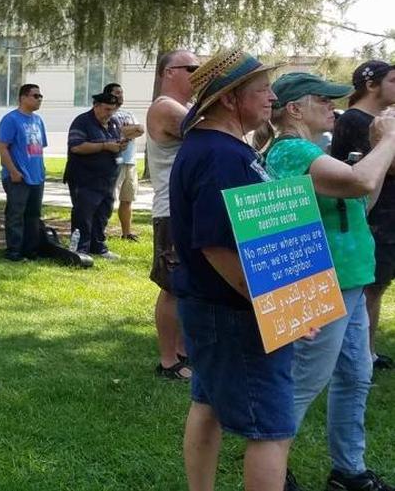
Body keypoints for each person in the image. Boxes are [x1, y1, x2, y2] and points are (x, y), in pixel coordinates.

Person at [170, 48, 311, 491]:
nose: (272, 97)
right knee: (272, 429)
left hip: (210, 305)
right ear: (230, 99)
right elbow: (217, 246)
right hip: (233, 311)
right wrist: (281, 303)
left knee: (207, 404)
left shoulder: (217, 147)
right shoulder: (221, 155)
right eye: (262, 89)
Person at [259, 72, 395, 491]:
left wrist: (376, 149)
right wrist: (388, 140)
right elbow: (362, 181)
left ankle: (348, 470)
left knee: (355, 375)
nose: (332, 106)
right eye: (322, 99)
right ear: (294, 110)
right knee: (303, 380)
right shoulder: (290, 151)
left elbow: (360, 200)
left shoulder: (312, 150)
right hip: (323, 279)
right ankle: (272, 471)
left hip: (350, 277)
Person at [329, 60, 395, 371]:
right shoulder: (356, 120)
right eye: (394, 80)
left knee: (377, 285)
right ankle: (359, 354)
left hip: (387, 215)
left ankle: (365, 353)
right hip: (371, 216)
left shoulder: (382, 122)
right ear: (372, 85)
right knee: (368, 287)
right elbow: (377, 169)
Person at [146, 50, 197, 381]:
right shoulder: (165, 107)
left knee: (187, 285)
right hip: (172, 210)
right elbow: (209, 132)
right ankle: (168, 360)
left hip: (188, 209)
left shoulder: (186, 109)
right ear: (168, 73)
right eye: (190, 68)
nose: (197, 73)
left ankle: (181, 350)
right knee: (173, 286)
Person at [63, 91, 125, 260]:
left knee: (103, 214)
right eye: (106, 109)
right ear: (96, 106)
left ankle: (98, 247)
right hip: (85, 179)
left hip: (108, 179)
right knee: (83, 214)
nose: (109, 113)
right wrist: (105, 146)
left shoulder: (114, 123)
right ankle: (80, 250)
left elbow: (116, 142)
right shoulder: (82, 122)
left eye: (112, 110)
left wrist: (120, 146)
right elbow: (76, 146)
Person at [0, 84, 47, 262]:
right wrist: (13, 171)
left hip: (37, 177)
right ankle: (14, 252)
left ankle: (31, 251)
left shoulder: (38, 120)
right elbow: (2, 148)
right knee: (16, 215)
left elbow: (39, 148)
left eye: (40, 96)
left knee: (33, 215)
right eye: (35, 96)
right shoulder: (11, 120)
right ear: (23, 98)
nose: (39, 99)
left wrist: (42, 171)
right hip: (17, 177)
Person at [104, 83, 145, 241]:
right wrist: (128, 130)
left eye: (122, 92)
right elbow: (115, 131)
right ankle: (101, 231)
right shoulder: (106, 113)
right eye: (117, 93)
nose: (121, 95)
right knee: (108, 198)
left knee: (127, 199)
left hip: (130, 161)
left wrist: (127, 131)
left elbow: (140, 130)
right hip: (114, 161)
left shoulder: (128, 113)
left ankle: (126, 233)